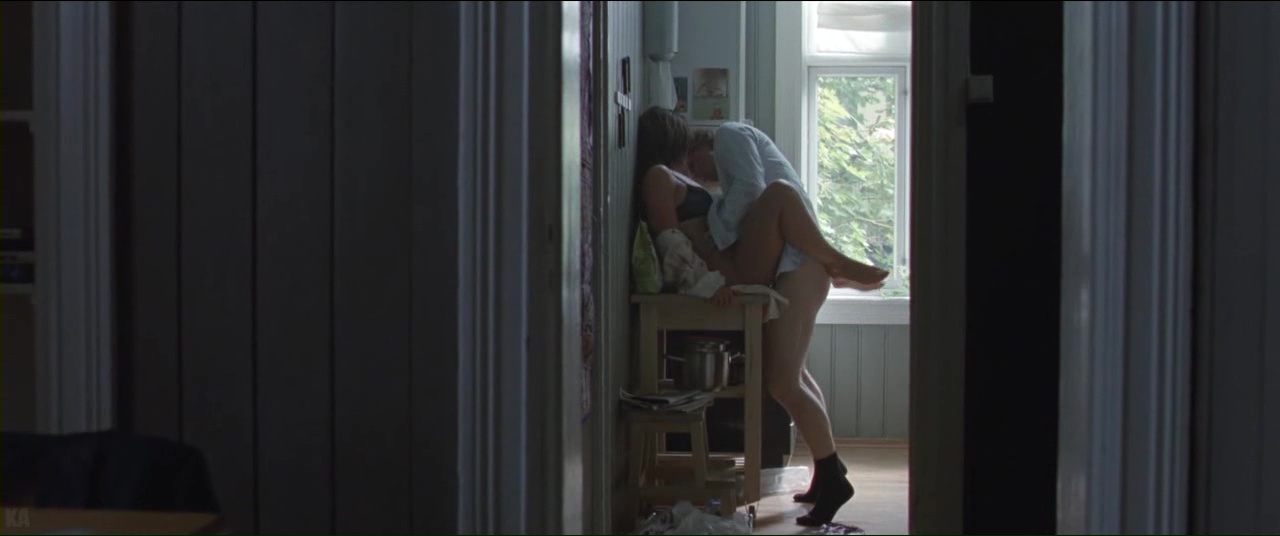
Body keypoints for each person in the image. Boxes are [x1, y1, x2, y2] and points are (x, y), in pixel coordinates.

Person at [634, 106, 889, 526]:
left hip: (766, 267)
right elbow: (672, 243)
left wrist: (714, 243)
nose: (704, 173)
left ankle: (830, 473)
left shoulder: (705, 160)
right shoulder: (662, 176)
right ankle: (837, 262)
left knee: (788, 378)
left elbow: (741, 200)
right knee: (789, 377)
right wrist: (708, 279)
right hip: (743, 268)